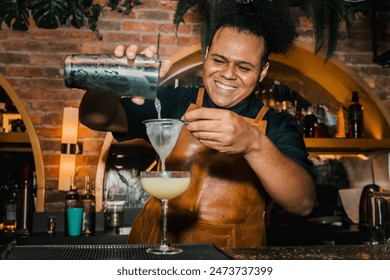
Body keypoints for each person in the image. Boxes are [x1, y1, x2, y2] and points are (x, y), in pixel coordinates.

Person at [79, 0, 316, 247]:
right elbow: (95, 117)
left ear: (263, 72)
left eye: (244, 67)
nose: (228, 73)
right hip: (154, 253)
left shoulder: (277, 125)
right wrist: (111, 80)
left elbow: (303, 203)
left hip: (234, 261)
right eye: (219, 60)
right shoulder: (176, 101)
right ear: (205, 55)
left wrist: (253, 144)